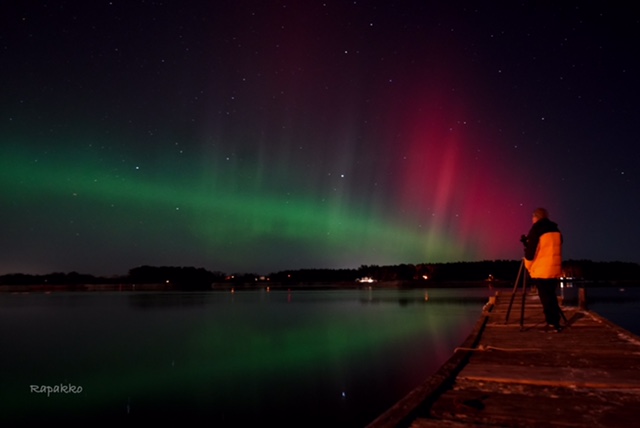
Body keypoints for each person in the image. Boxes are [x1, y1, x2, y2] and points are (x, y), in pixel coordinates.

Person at [523, 207, 564, 332]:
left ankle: (552, 324)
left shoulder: (537, 229)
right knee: (551, 296)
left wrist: (528, 266)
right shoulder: (556, 229)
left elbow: (531, 252)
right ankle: (555, 322)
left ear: (536, 217)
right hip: (554, 269)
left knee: (546, 298)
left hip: (542, 269)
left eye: (532, 217)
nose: (532, 220)